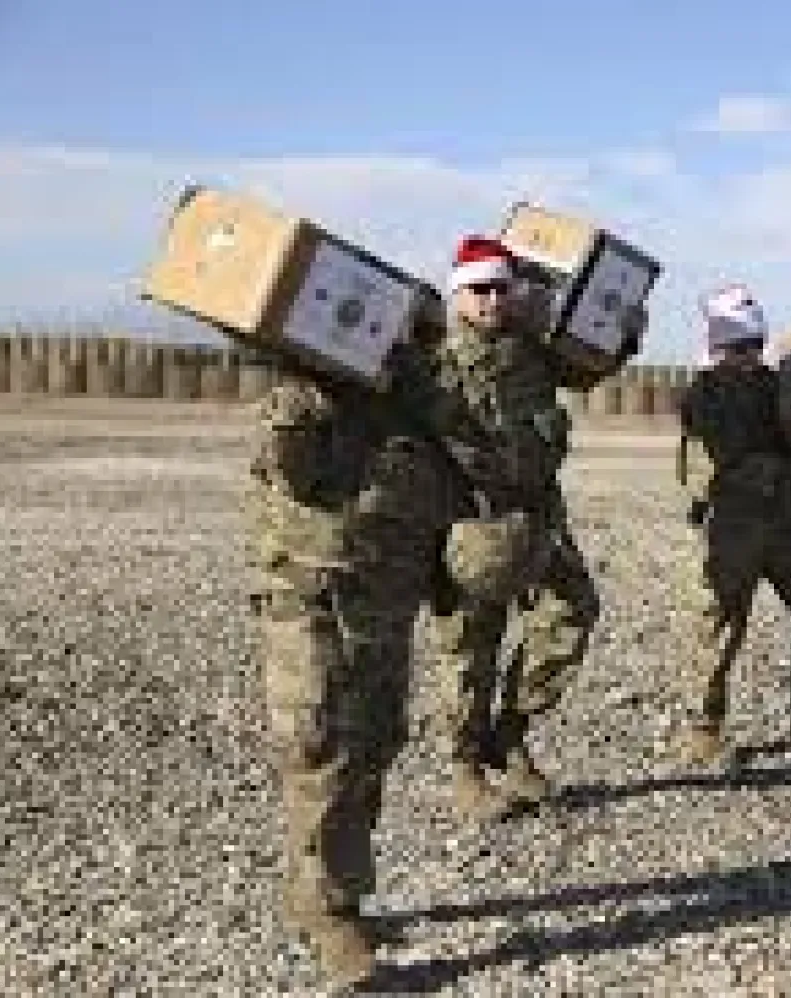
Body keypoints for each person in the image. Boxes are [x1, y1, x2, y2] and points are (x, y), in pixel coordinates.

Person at [243, 292, 506, 989]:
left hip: (385, 613)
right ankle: (331, 914)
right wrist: (309, 374)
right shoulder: (312, 404)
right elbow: (286, 466)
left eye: (421, 343)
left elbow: (453, 516)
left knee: (375, 744)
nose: (414, 357)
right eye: (402, 343)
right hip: (314, 603)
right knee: (320, 745)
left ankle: (333, 890)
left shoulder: (419, 424)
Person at [424, 234, 647, 821]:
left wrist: (621, 330)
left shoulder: (531, 352)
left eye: (501, 287)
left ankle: (511, 731)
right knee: (473, 645)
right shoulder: (434, 366)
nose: (493, 299)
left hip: (541, 514)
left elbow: (588, 368)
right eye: (480, 289)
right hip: (475, 522)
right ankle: (466, 769)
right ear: (458, 295)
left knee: (572, 612)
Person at [673, 283, 791, 766]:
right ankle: (704, 732)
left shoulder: (771, 385)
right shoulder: (704, 395)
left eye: (754, 344)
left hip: (784, 520)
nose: (748, 356)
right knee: (719, 628)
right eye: (738, 346)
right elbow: (735, 461)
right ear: (715, 345)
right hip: (732, 524)